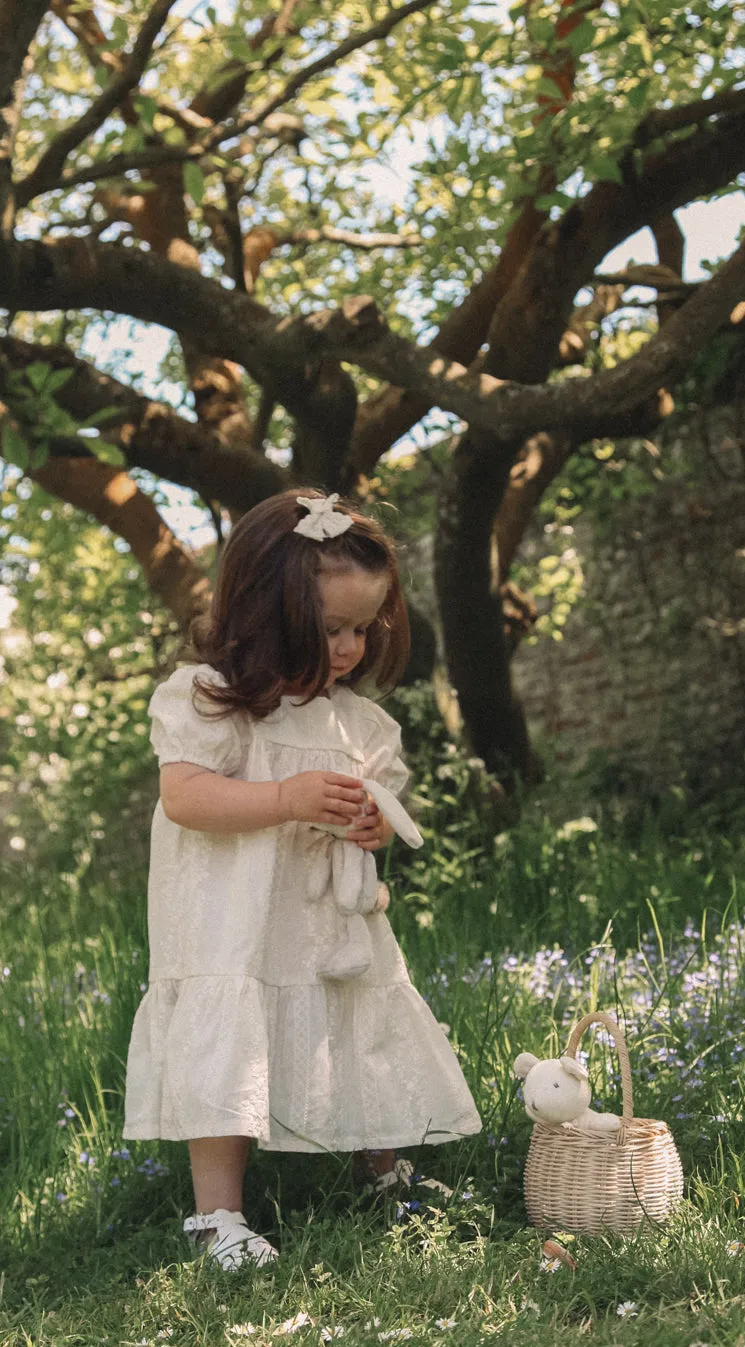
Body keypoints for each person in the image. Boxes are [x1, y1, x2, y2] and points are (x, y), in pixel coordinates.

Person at [123, 488, 482, 1268]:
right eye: (330, 629)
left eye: (362, 628)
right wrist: (284, 799)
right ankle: (218, 1216)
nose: (350, 648)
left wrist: (371, 822)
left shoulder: (357, 723)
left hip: (327, 923)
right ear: (264, 610)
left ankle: (380, 1168)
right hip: (232, 923)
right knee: (228, 1040)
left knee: (362, 1024)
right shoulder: (211, 702)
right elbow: (185, 797)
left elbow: (380, 809)